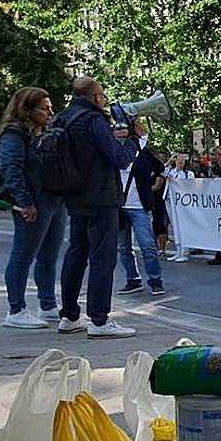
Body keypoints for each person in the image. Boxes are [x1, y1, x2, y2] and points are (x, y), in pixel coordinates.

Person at [56, 76, 140, 338]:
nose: (103, 100)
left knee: (76, 254)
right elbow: (119, 158)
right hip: (101, 197)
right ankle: (99, 320)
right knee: (102, 258)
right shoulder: (94, 119)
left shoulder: (64, 118)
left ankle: (69, 316)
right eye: (102, 95)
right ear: (95, 97)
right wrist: (134, 141)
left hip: (75, 195)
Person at [0, 86, 66, 329]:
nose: (50, 113)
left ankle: (47, 305)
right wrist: (25, 202)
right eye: (44, 109)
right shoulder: (14, 134)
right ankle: (15, 310)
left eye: (50, 108)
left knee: (49, 256)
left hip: (54, 199)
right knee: (23, 255)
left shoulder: (46, 132)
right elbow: (11, 168)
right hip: (34, 201)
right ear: (27, 110)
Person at [116, 116, 167, 296]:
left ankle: (155, 280)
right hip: (119, 207)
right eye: (117, 132)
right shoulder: (112, 152)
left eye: (123, 132)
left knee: (147, 245)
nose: (120, 136)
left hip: (139, 207)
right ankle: (133, 279)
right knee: (124, 248)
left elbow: (160, 168)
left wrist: (155, 185)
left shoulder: (142, 152)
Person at [164, 152, 194, 263]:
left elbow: (191, 186)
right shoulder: (171, 171)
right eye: (178, 160)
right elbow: (162, 170)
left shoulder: (188, 174)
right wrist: (171, 159)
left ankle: (184, 251)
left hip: (182, 204)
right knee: (175, 226)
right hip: (170, 201)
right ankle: (178, 250)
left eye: (182, 160)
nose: (180, 162)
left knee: (183, 226)